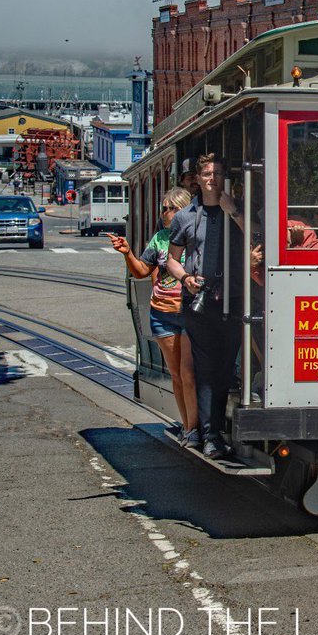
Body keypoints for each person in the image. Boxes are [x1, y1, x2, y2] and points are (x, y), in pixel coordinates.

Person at [166, 153, 247, 460]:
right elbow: (171, 258)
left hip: (234, 299)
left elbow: (258, 234)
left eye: (218, 173)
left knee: (225, 369)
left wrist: (234, 210)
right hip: (199, 303)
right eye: (207, 174)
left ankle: (215, 432)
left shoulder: (236, 209)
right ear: (197, 180)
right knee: (206, 369)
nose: (212, 178)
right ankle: (210, 436)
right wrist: (185, 278)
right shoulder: (186, 216)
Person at [107, 187, 198, 445]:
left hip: (191, 311)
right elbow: (142, 271)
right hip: (163, 313)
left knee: (190, 373)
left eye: (170, 208)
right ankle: (189, 427)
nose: (164, 213)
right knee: (178, 375)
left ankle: (197, 426)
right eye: (163, 208)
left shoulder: (195, 234)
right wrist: (127, 253)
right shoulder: (159, 238)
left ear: (183, 210)